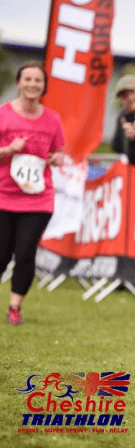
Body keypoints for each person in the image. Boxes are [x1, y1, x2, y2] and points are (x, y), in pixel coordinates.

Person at [0, 61, 65, 326]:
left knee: (25, 252)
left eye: (38, 81)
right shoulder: (3, 114)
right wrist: (8, 150)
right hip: (3, 194)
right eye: (27, 79)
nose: (32, 85)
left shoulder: (52, 119)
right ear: (18, 83)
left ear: (43, 87)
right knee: (2, 254)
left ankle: (15, 307)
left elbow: (59, 150)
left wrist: (58, 158)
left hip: (38, 198)